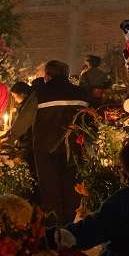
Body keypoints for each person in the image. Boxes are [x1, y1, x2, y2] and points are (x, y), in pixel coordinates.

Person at [22, 60, 88, 224]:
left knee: (49, 185)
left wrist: (11, 137)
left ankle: (53, 225)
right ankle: (68, 223)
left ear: (48, 75)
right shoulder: (81, 93)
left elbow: (23, 123)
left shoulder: (39, 93)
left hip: (45, 148)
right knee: (70, 184)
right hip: (74, 147)